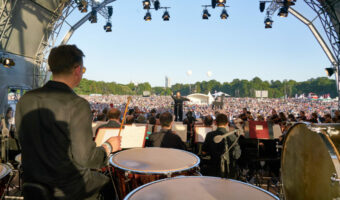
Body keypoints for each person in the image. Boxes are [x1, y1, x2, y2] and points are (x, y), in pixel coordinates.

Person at [15, 45, 121, 200]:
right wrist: (109, 146)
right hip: (68, 190)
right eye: (83, 70)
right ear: (77, 69)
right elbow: (86, 158)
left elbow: (23, 140)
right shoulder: (78, 105)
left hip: (33, 186)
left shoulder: (25, 100)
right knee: (112, 183)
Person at [202, 113, 241, 178]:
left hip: (213, 170)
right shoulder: (233, 136)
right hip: (229, 172)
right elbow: (237, 155)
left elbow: (204, 152)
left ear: (215, 123)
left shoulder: (209, 135)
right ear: (227, 123)